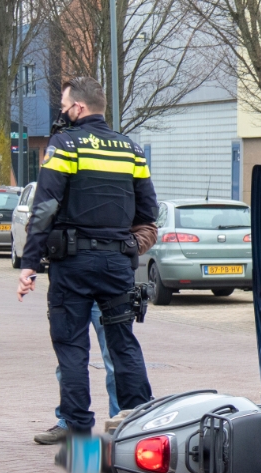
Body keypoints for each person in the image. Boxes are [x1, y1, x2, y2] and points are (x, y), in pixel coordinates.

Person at [16, 76, 158, 436]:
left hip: (73, 263)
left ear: (78, 108)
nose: (62, 114)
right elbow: (148, 211)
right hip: (117, 265)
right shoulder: (132, 150)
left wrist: (29, 263)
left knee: (72, 347)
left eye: (64, 107)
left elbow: (45, 208)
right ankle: (136, 426)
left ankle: (77, 427)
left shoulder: (65, 146)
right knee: (123, 343)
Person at [34, 302, 119, 445]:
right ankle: (69, 422)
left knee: (115, 359)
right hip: (71, 290)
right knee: (68, 359)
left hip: (105, 288)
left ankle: (119, 424)